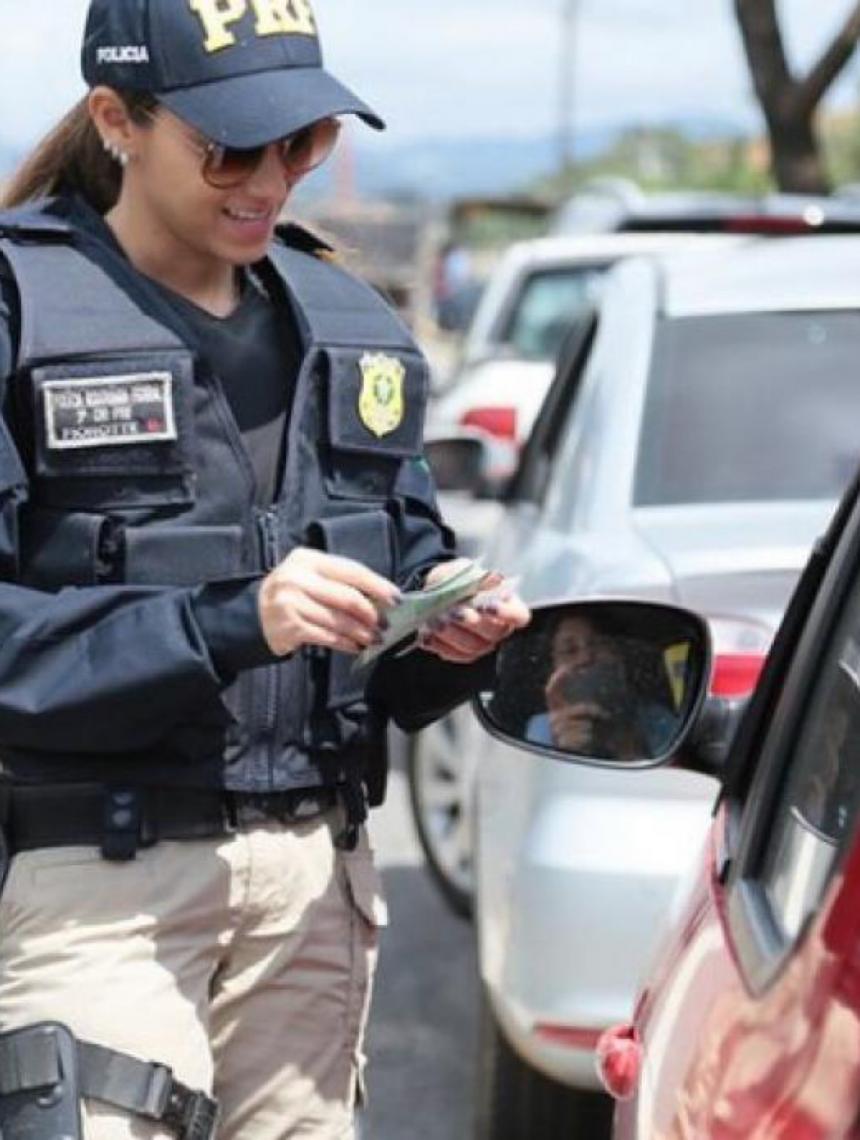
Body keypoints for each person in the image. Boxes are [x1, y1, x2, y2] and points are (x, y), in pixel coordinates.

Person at [0, 4, 530, 1139]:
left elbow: (401, 606)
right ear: (118, 120)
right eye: (231, 148)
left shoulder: (354, 324)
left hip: (313, 888)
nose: (271, 180)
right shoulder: (19, 309)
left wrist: (452, 636)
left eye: (303, 143)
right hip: (98, 884)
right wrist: (234, 619)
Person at [527, 614, 674, 760]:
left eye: (597, 644)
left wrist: (624, 741)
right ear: (553, 667)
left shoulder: (657, 719)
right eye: (569, 650)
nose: (585, 658)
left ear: (618, 656)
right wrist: (565, 752)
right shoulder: (542, 729)